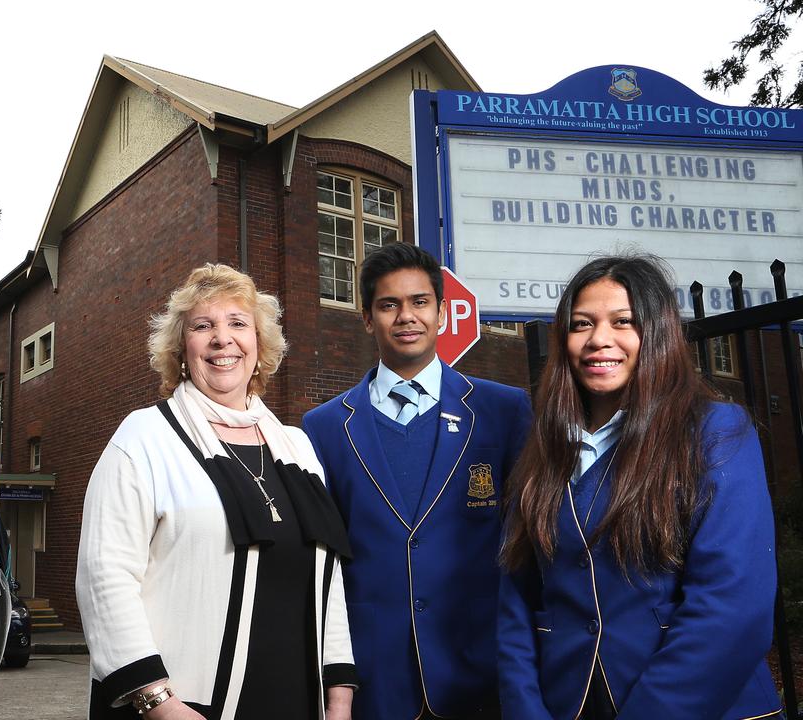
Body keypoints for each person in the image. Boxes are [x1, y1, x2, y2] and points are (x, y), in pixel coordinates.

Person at [497, 255, 783, 720]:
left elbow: (733, 606)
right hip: (569, 703)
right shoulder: (544, 448)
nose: (598, 339)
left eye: (623, 321)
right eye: (581, 324)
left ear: (657, 334)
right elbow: (515, 601)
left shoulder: (714, 431)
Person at [78, 264, 356, 720]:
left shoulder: (298, 447)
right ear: (181, 349)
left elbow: (329, 580)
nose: (221, 339)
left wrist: (339, 697)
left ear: (259, 346)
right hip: (185, 708)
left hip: (297, 701)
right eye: (203, 326)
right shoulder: (144, 437)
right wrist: (156, 702)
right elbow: (104, 575)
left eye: (237, 324)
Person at [302, 243, 532, 720]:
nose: (406, 316)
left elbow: (528, 545)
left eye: (420, 302)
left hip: (480, 676)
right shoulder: (323, 428)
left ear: (443, 312)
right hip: (374, 682)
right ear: (367, 318)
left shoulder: (502, 411)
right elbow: (321, 567)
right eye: (389, 305)